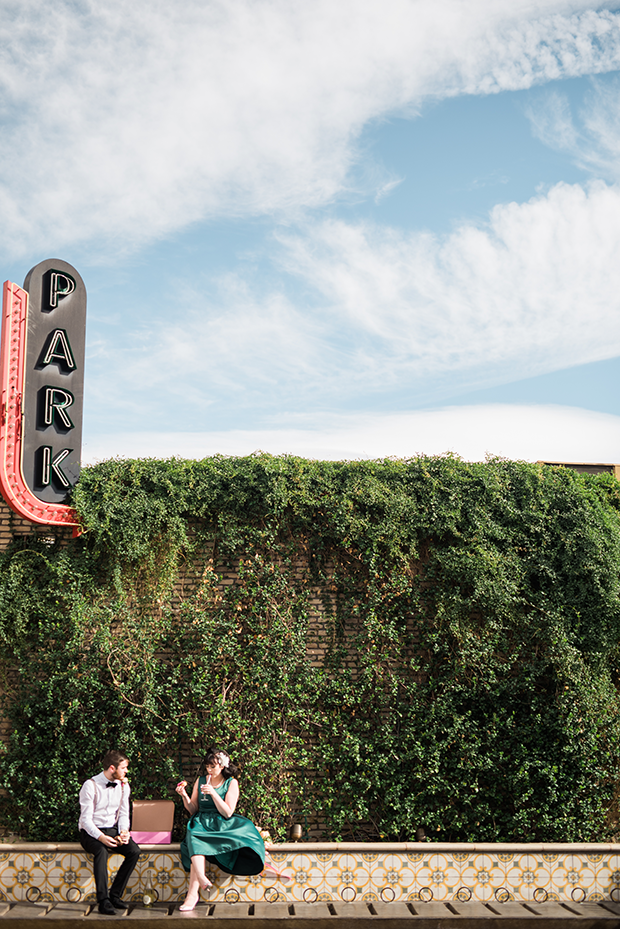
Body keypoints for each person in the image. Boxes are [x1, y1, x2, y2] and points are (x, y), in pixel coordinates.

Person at [176, 747, 266, 911]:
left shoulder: (231, 783)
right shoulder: (200, 780)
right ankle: (196, 889)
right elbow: (193, 809)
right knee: (194, 832)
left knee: (196, 835)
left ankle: (193, 893)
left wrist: (213, 793)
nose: (209, 770)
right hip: (202, 820)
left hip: (222, 823)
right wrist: (184, 796)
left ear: (222, 765)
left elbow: (227, 812)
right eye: (207, 767)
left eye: (213, 766)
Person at [78, 750, 140, 915]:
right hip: (90, 831)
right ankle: (103, 901)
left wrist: (124, 831)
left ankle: (115, 895)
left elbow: (124, 813)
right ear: (112, 768)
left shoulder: (123, 786)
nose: (126, 771)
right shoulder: (90, 786)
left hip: (112, 829)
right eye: (124, 767)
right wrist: (101, 837)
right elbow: (86, 820)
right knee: (101, 851)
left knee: (134, 851)